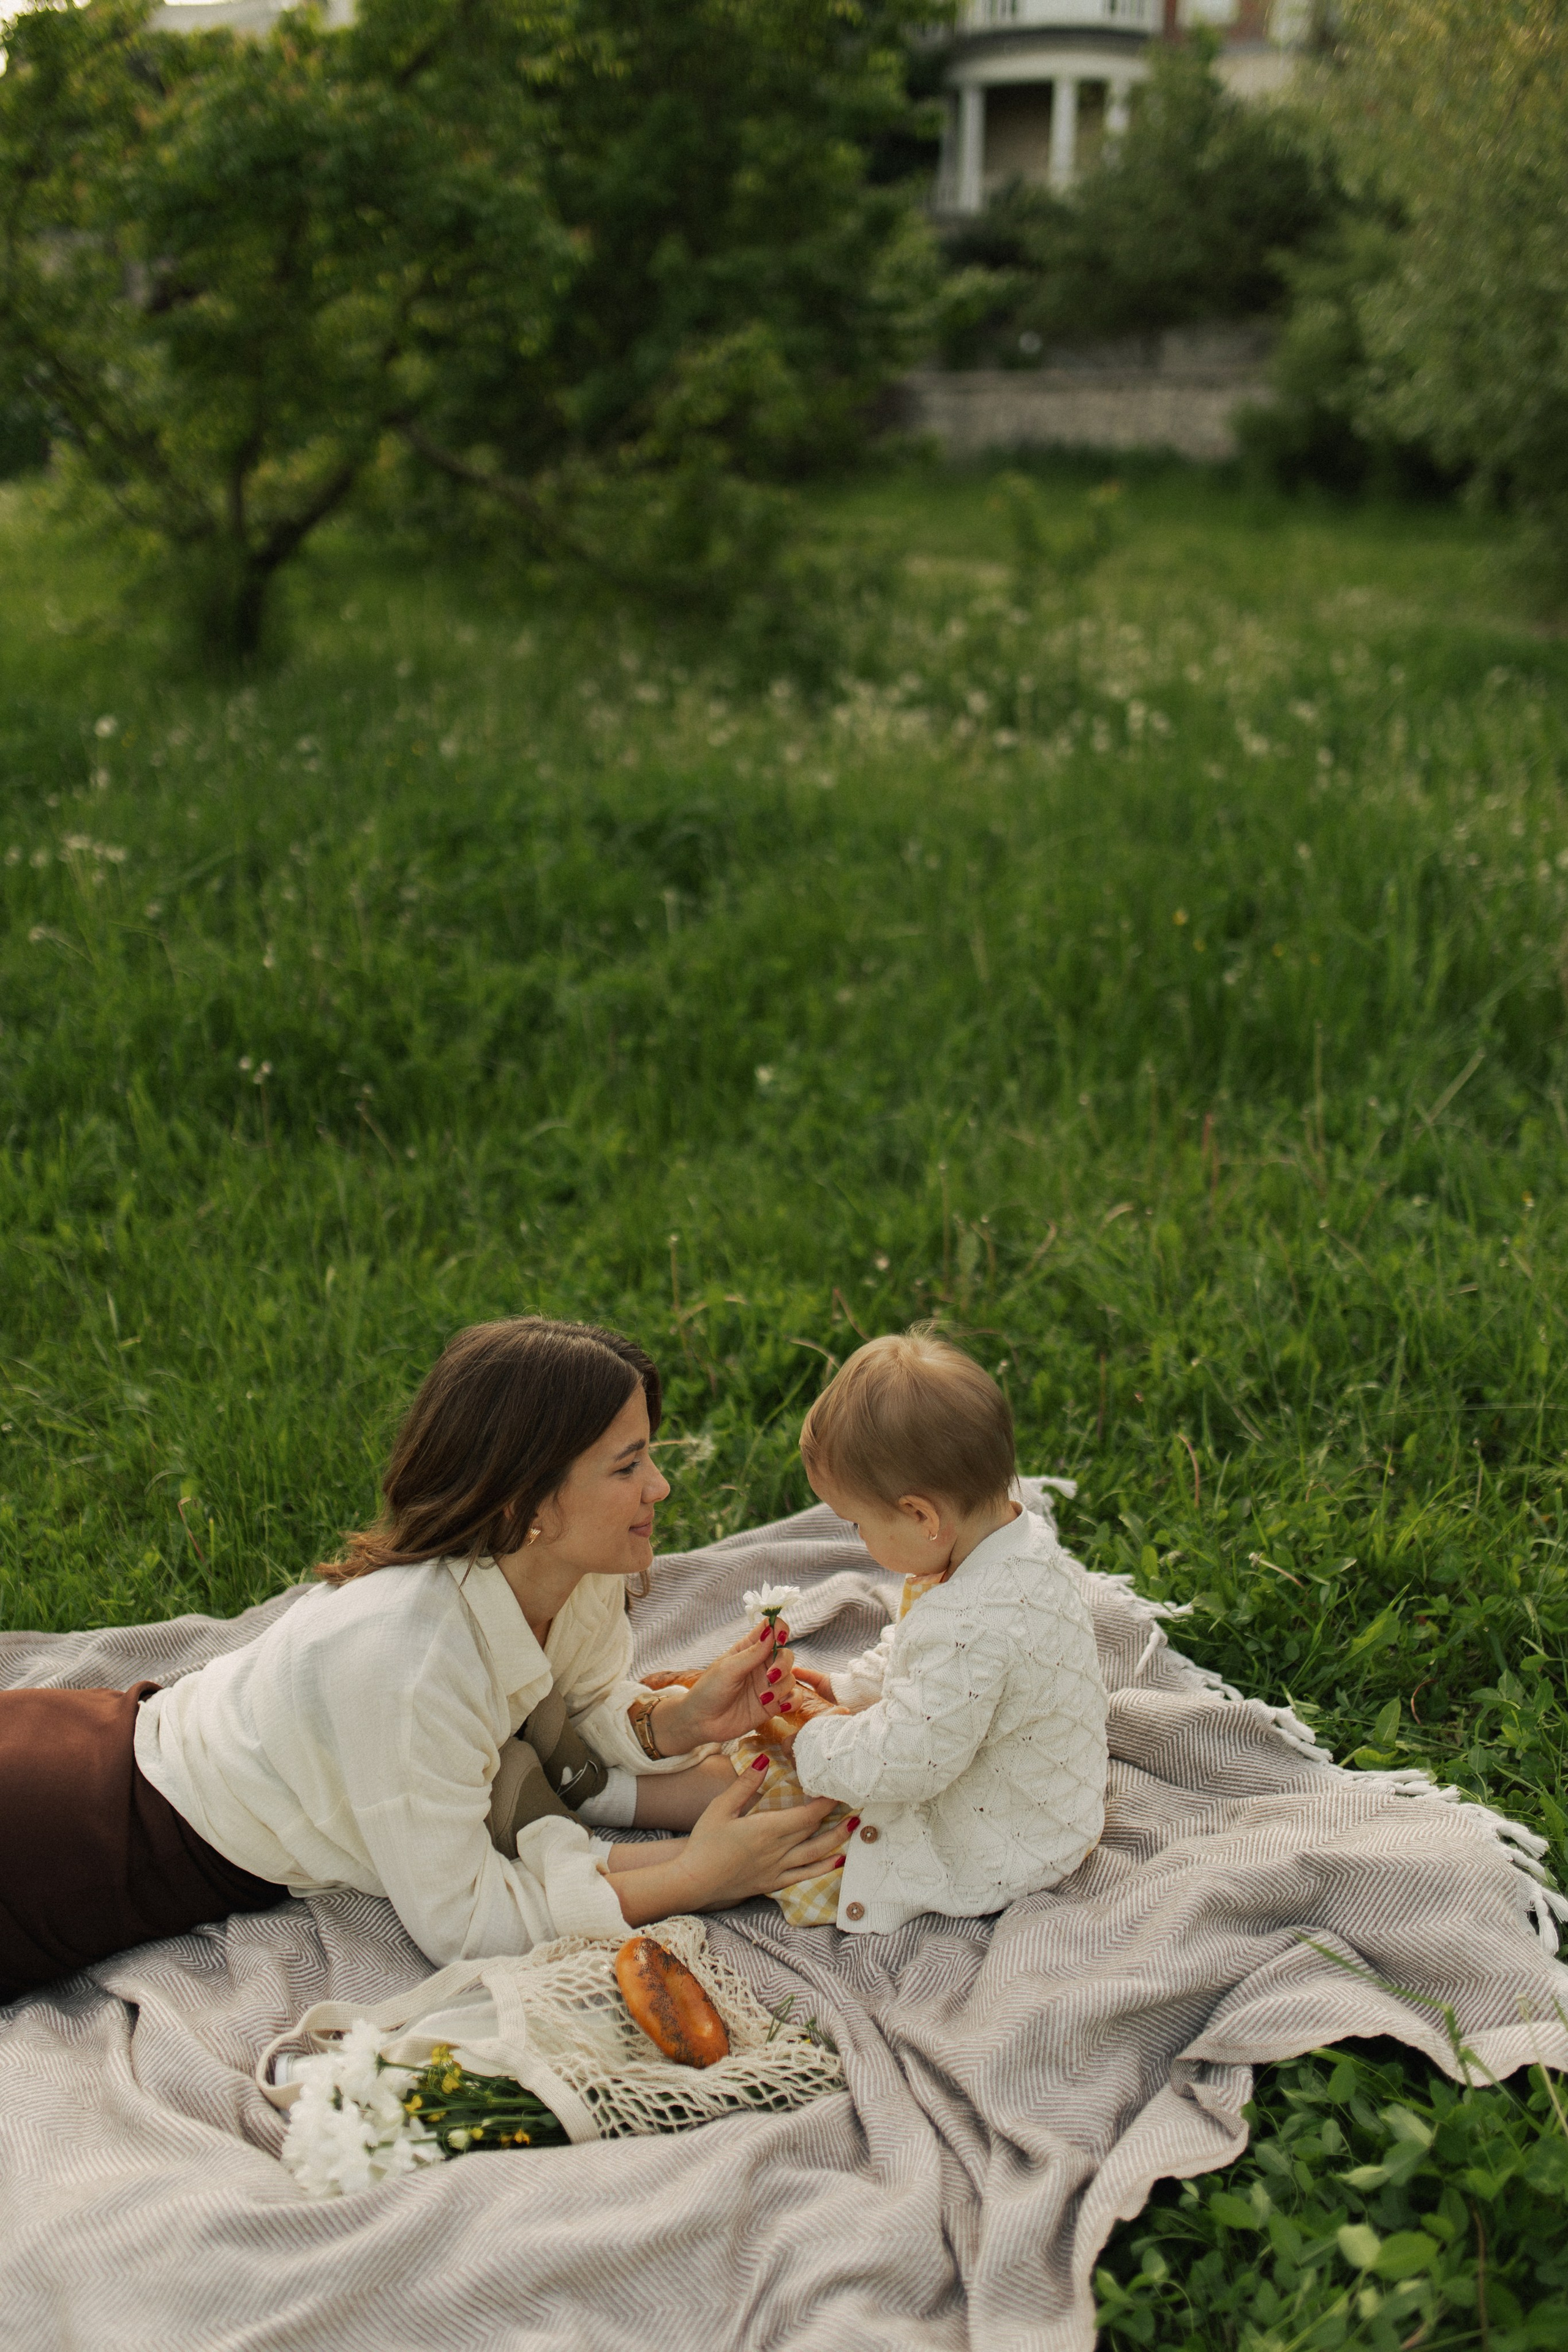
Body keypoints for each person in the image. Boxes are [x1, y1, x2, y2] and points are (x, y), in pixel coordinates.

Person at [0, 1318, 846, 2000]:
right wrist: (695, 1877)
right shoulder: (408, 1665)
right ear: (528, 1506)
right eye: (628, 1466)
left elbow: (569, 1721)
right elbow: (465, 1924)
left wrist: (678, 1723)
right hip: (93, 1845)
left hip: (100, 1735)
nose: (659, 1487)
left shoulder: (573, 1575)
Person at [750, 1327, 1109, 1935]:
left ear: (921, 1516)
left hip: (1004, 1839)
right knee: (778, 1770)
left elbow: (906, 1763)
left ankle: (644, 1844)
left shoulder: (971, 1623)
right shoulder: (1011, 1545)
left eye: (858, 1523)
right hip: (1041, 1793)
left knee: (779, 1824)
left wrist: (813, 1733)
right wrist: (846, 1691)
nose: (857, 1539)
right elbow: (922, 1663)